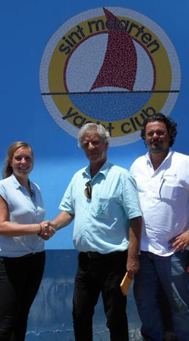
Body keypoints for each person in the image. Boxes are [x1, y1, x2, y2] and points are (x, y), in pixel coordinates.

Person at [48, 123, 143, 341]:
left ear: (106, 145)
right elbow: (68, 212)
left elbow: (136, 219)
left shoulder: (121, 176)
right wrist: (52, 226)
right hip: (86, 263)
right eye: (86, 143)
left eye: (96, 142)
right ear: (82, 147)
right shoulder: (78, 177)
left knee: (115, 317)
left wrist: (132, 258)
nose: (91, 147)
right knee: (80, 314)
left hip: (115, 262)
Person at [130, 114, 189, 341]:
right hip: (143, 251)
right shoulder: (137, 166)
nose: (155, 137)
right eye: (150, 133)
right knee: (144, 303)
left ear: (169, 136)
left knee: (180, 306)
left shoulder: (186, 164)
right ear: (145, 137)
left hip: (173, 253)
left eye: (160, 132)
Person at [0, 141, 54, 341]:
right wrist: (37, 228)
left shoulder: (35, 188)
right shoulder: (1, 188)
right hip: (11, 262)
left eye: (28, 158)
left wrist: (45, 230)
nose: (23, 162)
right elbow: (0, 226)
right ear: (10, 161)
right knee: (5, 323)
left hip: (36, 259)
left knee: (21, 317)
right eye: (18, 158)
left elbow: (35, 219)